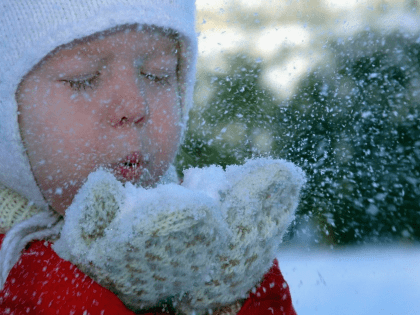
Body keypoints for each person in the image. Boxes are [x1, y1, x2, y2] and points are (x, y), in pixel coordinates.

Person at [0, 1, 299, 314]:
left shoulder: (207, 244)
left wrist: (233, 296)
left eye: (157, 74)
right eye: (83, 78)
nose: (134, 105)